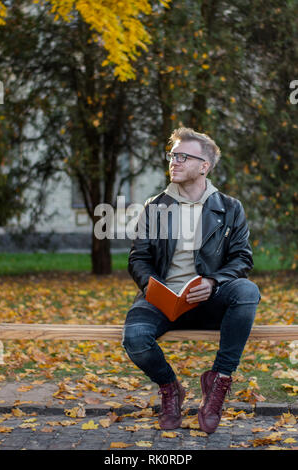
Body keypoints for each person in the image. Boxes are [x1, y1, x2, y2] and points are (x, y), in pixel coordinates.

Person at [122, 127, 261, 434]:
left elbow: (242, 259)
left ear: (204, 166)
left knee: (247, 291)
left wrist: (213, 281)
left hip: (210, 298)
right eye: (173, 155)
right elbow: (139, 258)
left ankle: (219, 379)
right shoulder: (156, 206)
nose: (175, 161)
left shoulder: (230, 207)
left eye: (184, 156)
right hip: (162, 300)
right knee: (134, 339)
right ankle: (171, 388)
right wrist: (150, 286)